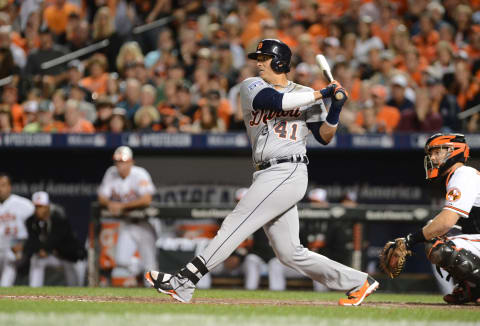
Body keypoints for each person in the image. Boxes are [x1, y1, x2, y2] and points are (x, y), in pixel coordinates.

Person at [145, 39, 378, 306]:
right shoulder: (252, 86)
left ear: (280, 62)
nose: (258, 62)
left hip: (288, 169)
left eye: (264, 57)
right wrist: (324, 93)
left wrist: (335, 108)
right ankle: (359, 282)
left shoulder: (306, 93)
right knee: (290, 253)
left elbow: (324, 136)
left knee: (235, 223)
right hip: (267, 171)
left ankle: (185, 281)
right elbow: (276, 101)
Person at [382, 133, 480, 304]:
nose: (432, 158)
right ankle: (472, 288)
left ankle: (474, 287)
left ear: (453, 151)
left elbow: (446, 222)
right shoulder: (459, 176)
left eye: (437, 152)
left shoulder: (463, 173)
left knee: (439, 245)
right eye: (431, 154)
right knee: (434, 233)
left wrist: (408, 241)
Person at [98, 146, 157, 286]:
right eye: (118, 161)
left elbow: (146, 199)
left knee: (151, 269)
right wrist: (110, 203)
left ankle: (156, 300)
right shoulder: (111, 173)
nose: (120, 165)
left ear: (131, 161)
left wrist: (121, 206)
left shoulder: (140, 174)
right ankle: (140, 268)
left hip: (145, 224)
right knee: (121, 260)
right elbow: (101, 197)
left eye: (123, 161)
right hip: (127, 224)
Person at [24, 191, 86, 287]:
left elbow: (56, 239)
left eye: (41, 206)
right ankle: (34, 290)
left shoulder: (59, 219)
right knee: (37, 260)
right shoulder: (30, 221)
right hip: (52, 255)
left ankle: (75, 292)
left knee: (75, 285)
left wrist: (45, 249)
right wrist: (41, 250)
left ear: (48, 206)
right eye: (36, 207)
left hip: (70, 256)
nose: (38, 210)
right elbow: (32, 241)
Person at [0, 173, 34, 286]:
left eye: (3, 185)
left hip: (14, 245)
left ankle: (4, 289)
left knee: (11, 258)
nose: (0, 188)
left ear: (10, 187)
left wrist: (23, 244)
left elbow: (35, 225)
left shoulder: (24, 204)